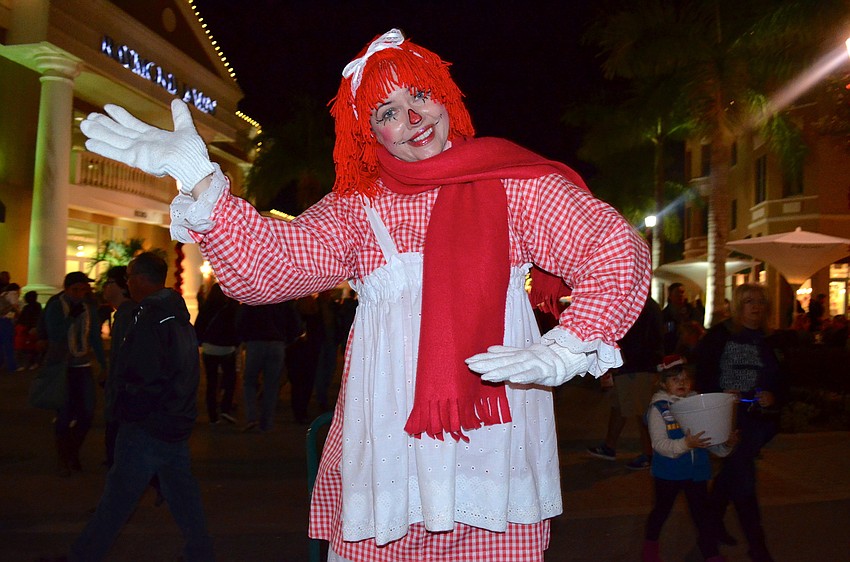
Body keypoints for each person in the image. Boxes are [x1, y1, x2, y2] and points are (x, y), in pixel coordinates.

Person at [80, 29, 650, 562]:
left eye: (420, 95)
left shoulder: (514, 186)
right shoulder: (359, 206)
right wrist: (200, 181)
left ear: (445, 97)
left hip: (494, 440)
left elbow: (611, 244)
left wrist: (570, 345)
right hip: (389, 446)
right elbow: (268, 270)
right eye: (387, 112)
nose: (412, 118)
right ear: (368, 131)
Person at [67, 252, 214, 561]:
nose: (127, 283)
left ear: (140, 279)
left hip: (149, 425)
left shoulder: (150, 318)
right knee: (182, 495)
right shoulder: (177, 315)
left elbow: (144, 375)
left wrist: (129, 410)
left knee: (117, 500)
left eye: (130, 277)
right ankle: (200, 552)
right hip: (174, 422)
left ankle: (82, 555)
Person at [695, 283, 784, 562]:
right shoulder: (720, 335)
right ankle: (757, 547)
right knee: (743, 478)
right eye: (748, 301)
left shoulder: (769, 338)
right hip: (729, 419)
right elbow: (703, 374)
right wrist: (720, 396)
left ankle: (710, 530)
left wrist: (774, 395)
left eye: (760, 301)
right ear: (737, 305)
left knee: (730, 477)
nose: (756, 306)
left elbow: (783, 379)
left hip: (758, 420)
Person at [642, 355, 735, 562]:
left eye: (685, 378)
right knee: (661, 511)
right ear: (663, 383)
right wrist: (687, 444)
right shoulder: (659, 409)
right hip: (669, 473)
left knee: (703, 516)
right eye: (675, 379)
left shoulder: (698, 404)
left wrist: (726, 443)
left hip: (697, 472)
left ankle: (711, 554)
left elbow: (711, 444)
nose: (682, 383)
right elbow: (660, 445)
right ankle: (650, 550)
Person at [587, 295, 663, 470]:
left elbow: (636, 338)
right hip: (635, 364)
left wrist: (620, 361)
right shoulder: (643, 303)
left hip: (637, 365)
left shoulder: (639, 304)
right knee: (620, 405)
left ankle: (649, 454)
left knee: (641, 410)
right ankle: (610, 446)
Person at [41, 272, 106, 476]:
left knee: (87, 413)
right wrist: (71, 317)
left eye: (83, 289)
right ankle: (64, 459)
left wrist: (104, 365)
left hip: (83, 365)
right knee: (64, 413)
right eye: (75, 289)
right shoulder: (56, 306)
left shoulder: (89, 308)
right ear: (67, 289)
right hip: (61, 366)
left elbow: (95, 336)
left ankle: (72, 452)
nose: (80, 293)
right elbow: (55, 334)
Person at [237, 300, 302, 431]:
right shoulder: (283, 299)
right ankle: (266, 423)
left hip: (255, 342)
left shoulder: (252, 297)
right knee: (271, 384)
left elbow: (240, 321)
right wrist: (286, 339)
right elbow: (295, 324)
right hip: (277, 343)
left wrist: (245, 337)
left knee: (249, 381)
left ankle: (252, 417)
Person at [100, 266, 135, 467]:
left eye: (109, 282)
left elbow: (125, 356)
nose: (105, 287)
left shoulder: (127, 314)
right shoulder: (123, 313)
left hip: (123, 392)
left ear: (123, 286)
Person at [194, 282, 240, 424]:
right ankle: (225, 409)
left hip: (209, 349)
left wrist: (201, 342)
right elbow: (237, 327)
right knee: (229, 380)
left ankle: (212, 416)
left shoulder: (207, 308)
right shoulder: (231, 308)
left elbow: (198, 327)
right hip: (227, 349)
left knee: (211, 383)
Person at [662, 283, 697, 354]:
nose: (681, 295)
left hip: (688, 352)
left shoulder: (691, 311)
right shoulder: (664, 314)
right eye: (677, 292)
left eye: (682, 292)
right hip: (670, 349)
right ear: (670, 295)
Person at [15, 290, 43, 370]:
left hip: (27, 329)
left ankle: (27, 364)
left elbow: (22, 318)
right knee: (31, 348)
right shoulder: (38, 306)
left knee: (26, 348)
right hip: (32, 328)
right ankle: (33, 363)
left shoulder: (27, 308)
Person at [0, 281, 21, 373]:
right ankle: (12, 366)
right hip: (6, 320)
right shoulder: (13, 294)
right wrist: (19, 313)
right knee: (9, 344)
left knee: (1, 344)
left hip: (1, 319)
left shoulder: (4, 294)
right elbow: (14, 306)